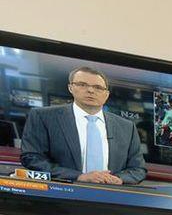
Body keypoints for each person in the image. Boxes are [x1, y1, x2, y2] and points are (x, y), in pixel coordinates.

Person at [19, 67, 147, 185]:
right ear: (70, 88)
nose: (90, 90)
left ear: (106, 94)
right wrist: (79, 176)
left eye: (98, 87)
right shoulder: (43, 117)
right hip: (61, 193)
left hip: (112, 195)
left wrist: (118, 179)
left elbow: (138, 169)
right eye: (82, 85)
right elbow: (32, 158)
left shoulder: (127, 127)